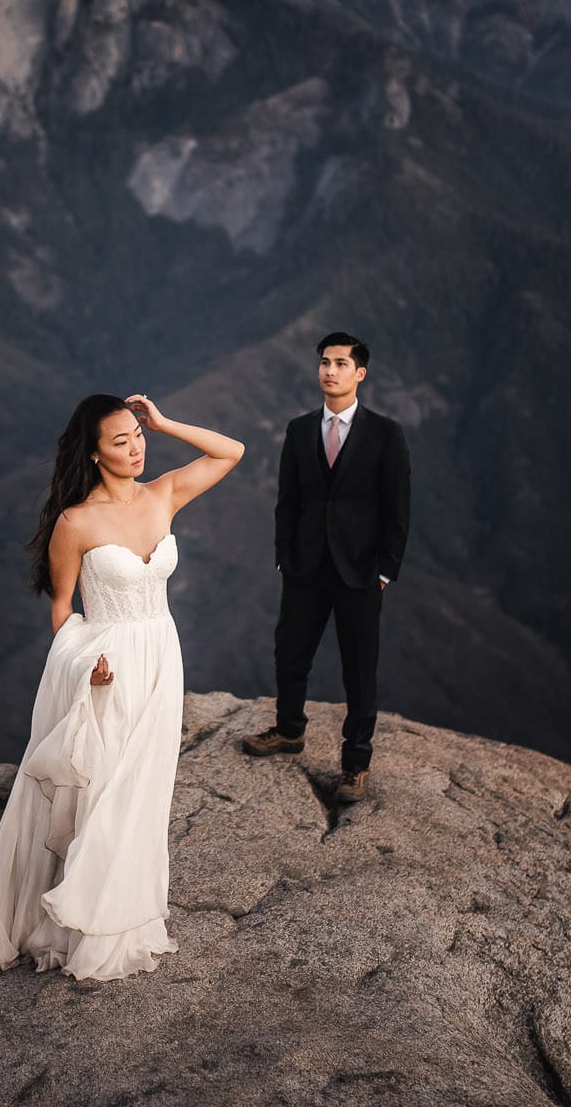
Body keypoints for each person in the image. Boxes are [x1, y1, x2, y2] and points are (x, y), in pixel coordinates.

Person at [0, 391, 244, 993]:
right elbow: (63, 613)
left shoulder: (164, 493)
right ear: (94, 454)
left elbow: (232, 451)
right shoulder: (75, 522)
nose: (136, 447)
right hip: (107, 665)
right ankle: (82, 928)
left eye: (138, 435)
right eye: (119, 441)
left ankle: (117, 918)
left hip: (161, 656)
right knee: (103, 791)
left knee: (144, 790)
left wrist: (167, 422)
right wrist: (83, 666)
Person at [241, 332, 410, 803]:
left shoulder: (384, 434)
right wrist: (284, 556)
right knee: (290, 652)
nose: (329, 370)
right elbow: (288, 501)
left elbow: (398, 509)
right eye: (324, 363)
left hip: (360, 572)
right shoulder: (299, 430)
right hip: (305, 566)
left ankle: (355, 764)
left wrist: (384, 571)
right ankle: (290, 730)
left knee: (359, 669)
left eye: (340, 363)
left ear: (360, 373)